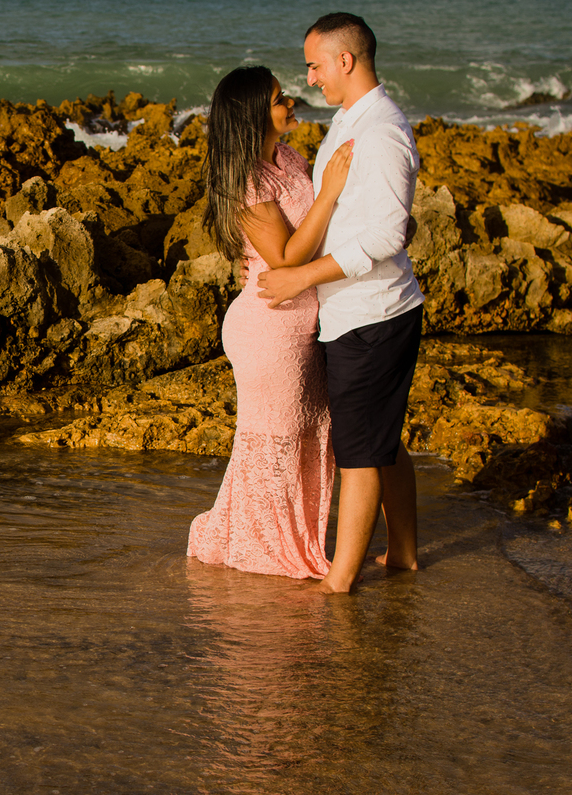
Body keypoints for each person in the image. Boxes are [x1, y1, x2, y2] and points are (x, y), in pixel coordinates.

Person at [257, 12, 424, 593]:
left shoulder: (379, 131)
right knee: (380, 438)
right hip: (361, 310)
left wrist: (301, 277)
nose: (310, 77)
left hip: (371, 314)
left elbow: (386, 237)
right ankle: (402, 552)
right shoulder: (351, 119)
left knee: (358, 451)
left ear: (345, 60)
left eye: (315, 64)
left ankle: (340, 581)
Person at [187, 65, 353, 580]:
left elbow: (313, 237)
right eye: (280, 98)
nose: (292, 102)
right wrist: (329, 192)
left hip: (304, 321)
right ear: (254, 111)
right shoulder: (248, 178)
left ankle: (279, 539)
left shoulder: (288, 157)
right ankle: (262, 549)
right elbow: (283, 257)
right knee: (273, 443)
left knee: (301, 440)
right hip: (269, 326)